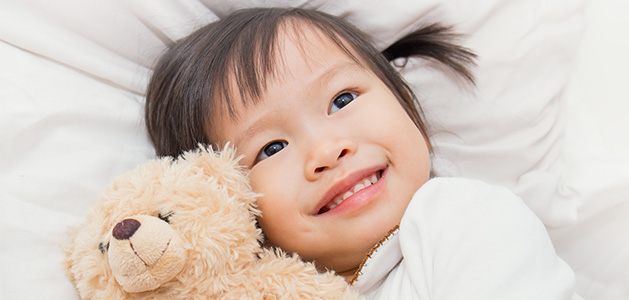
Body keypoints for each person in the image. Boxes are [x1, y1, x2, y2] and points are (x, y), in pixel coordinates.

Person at [145, 7, 579, 299]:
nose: (328, 151)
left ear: (411, 113)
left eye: (343, 100)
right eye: (271, 148)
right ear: (228, 208)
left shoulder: (467, 218)